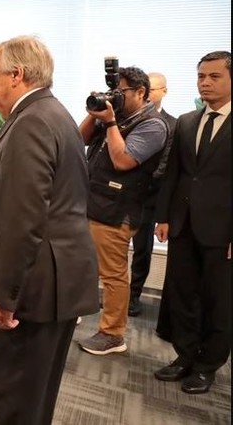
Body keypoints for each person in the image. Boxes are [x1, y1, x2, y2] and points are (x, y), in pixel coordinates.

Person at [0, 35, 99, 425]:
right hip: (50, 283)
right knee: (34, 398)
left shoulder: (31, 122)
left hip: (30, 292)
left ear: (17, 75)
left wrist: (6, 297)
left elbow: (23, 220)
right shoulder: (54, 114)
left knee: (17, 402)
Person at [153, 50, 231, 395]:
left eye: (214, 76)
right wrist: (164, 216)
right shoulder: (186, 121)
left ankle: (206, 365)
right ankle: (184, 356)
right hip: (183, 224)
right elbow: (174, 175)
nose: (205, 82)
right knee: (183, 295)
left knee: (219, 301)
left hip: (222, 231)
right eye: (201, 76)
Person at [78, 66, 168, 356]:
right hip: (93, 202)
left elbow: (123, 161)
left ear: (141, 92)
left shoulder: (153, 125)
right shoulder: (114, 115)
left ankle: (113, 334)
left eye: (122, 92)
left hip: (119, 211)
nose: (116, 96)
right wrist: (96, 112)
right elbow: (80, 138)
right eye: (114, 91)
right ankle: (79, 312)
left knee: (114, 275)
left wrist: (112, 122)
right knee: (85, 266)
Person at [128, 72, 177, 317]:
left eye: (154, 89)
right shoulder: (129, 117)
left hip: (149, 197)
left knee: (142, 250)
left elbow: (166, 165)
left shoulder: (173, 123)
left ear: (164, 91)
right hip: (122, 196)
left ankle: (133, 295)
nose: (149, 93)